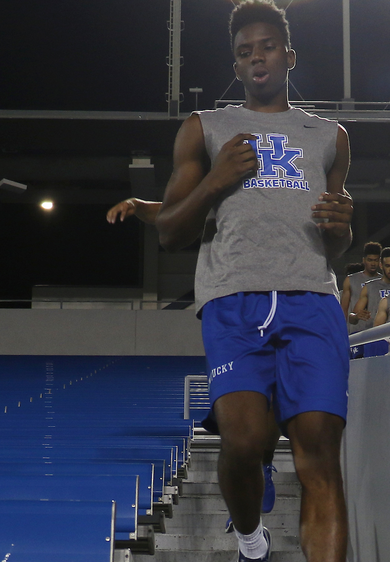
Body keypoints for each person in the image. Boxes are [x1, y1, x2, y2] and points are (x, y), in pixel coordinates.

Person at [154, 0, 353, 562]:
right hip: (234, 301)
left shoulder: (329, 136)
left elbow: (339, 246)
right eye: (243, 51)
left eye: (266, 46)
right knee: (243, 440)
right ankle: (251, 547)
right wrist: (215, 179)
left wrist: (341, 228)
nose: (255, 58)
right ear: (236, 63)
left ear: (288, 56)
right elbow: (169, 230)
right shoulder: (204, 128)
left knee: (320, 457)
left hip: (312, 302)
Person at [107, 195, 278, 515]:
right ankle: (247, 493)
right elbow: (172, 210)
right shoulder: (222, 194)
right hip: (230, 308)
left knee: (275, 400)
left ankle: (264, 465)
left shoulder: (280, 200)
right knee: (240, 410)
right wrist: (137, 205)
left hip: (277, 302)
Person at [352, 246, 390, 357]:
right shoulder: (370, 287)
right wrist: (357, 316)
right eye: (388, 266)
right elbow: (352, 317)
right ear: (381, 265)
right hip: (374, 340)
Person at [339, 242, 382, 332]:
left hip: (377, 331)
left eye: (376, 260)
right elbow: (344, 309)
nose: (373, 263)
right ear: (364, 260)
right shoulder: (351, 280)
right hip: (355, 331)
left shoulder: (383, 281)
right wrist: (341, 331)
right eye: (370, 260)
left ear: (380, 261)